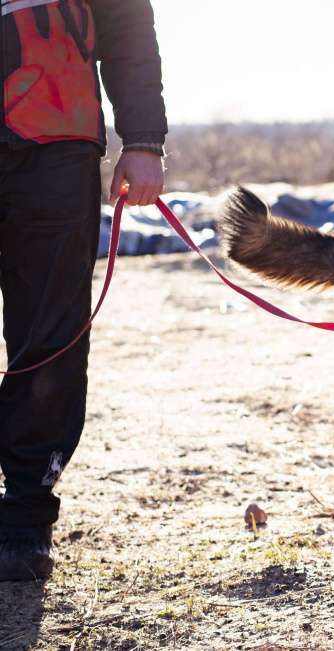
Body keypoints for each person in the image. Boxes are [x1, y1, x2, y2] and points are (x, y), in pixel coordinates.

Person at [0, 0, 167, 581]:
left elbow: (126, 24)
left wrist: (143, 138)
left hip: (55, 138)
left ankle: (24, 516)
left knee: (49, 336)